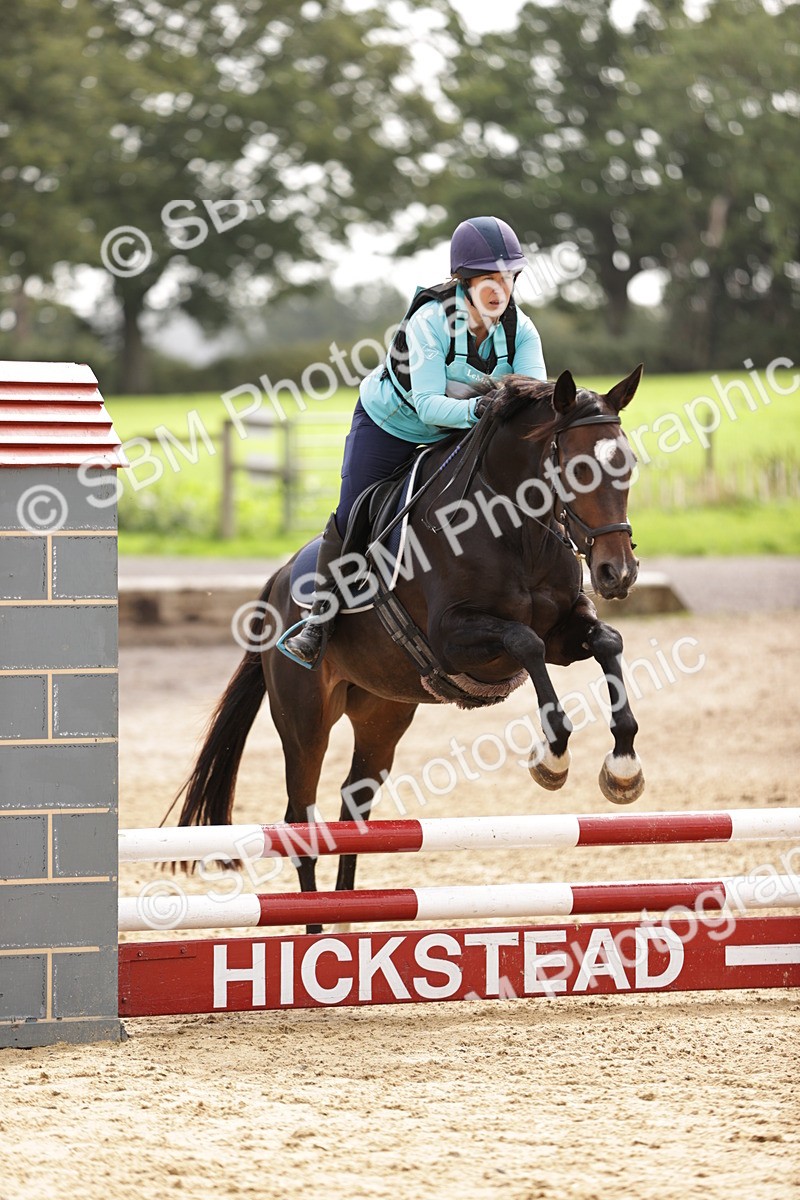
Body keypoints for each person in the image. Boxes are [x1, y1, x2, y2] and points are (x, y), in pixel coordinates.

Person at [281, 214, 547, 668]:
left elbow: (531, 400)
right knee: (356, 511)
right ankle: (318, 620)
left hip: (461, 429)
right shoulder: (430, 321)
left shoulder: (520, 331)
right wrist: (478, 410)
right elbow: (426, 404)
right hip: (392, 425)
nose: (499, 289)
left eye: (507, 277)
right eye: (488, 278)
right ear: (464, 281)